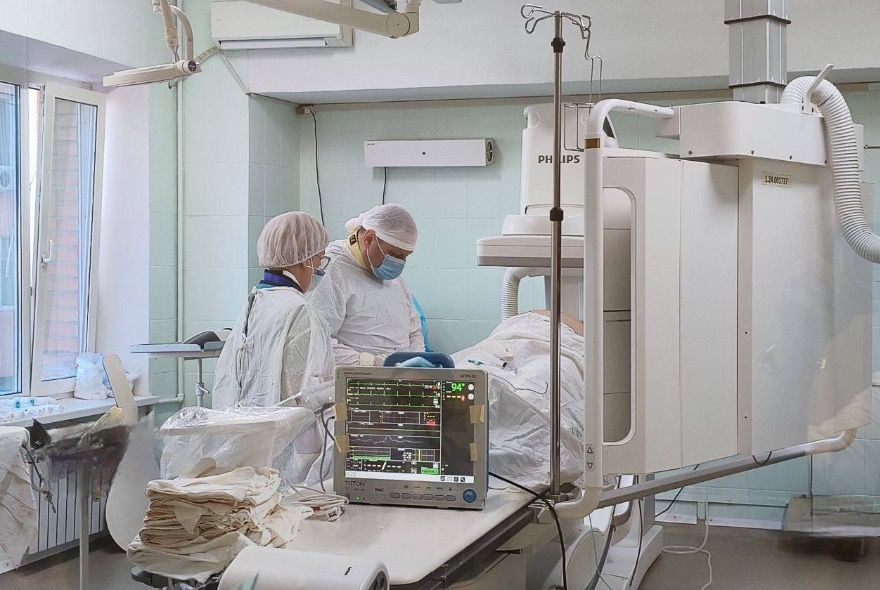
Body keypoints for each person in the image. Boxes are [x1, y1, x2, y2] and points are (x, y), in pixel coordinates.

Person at [212, 212, 334, 482]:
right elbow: (302, 394)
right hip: (288, 453)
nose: (320, 268)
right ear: (305, 260)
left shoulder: (254, 302)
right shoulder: (299, 310)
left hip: (246, 447)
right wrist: (339, 389)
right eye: (319, 259)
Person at [308, 204, 425, 367]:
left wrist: (416, 363)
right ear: (369, 239)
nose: (400, 263)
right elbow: (316, 342)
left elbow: (414, 330)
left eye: (405, 256)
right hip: (353, 379)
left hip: (400, 378)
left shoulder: (391, 277)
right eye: (395, 255)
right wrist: (373, 363)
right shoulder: (332, 270)